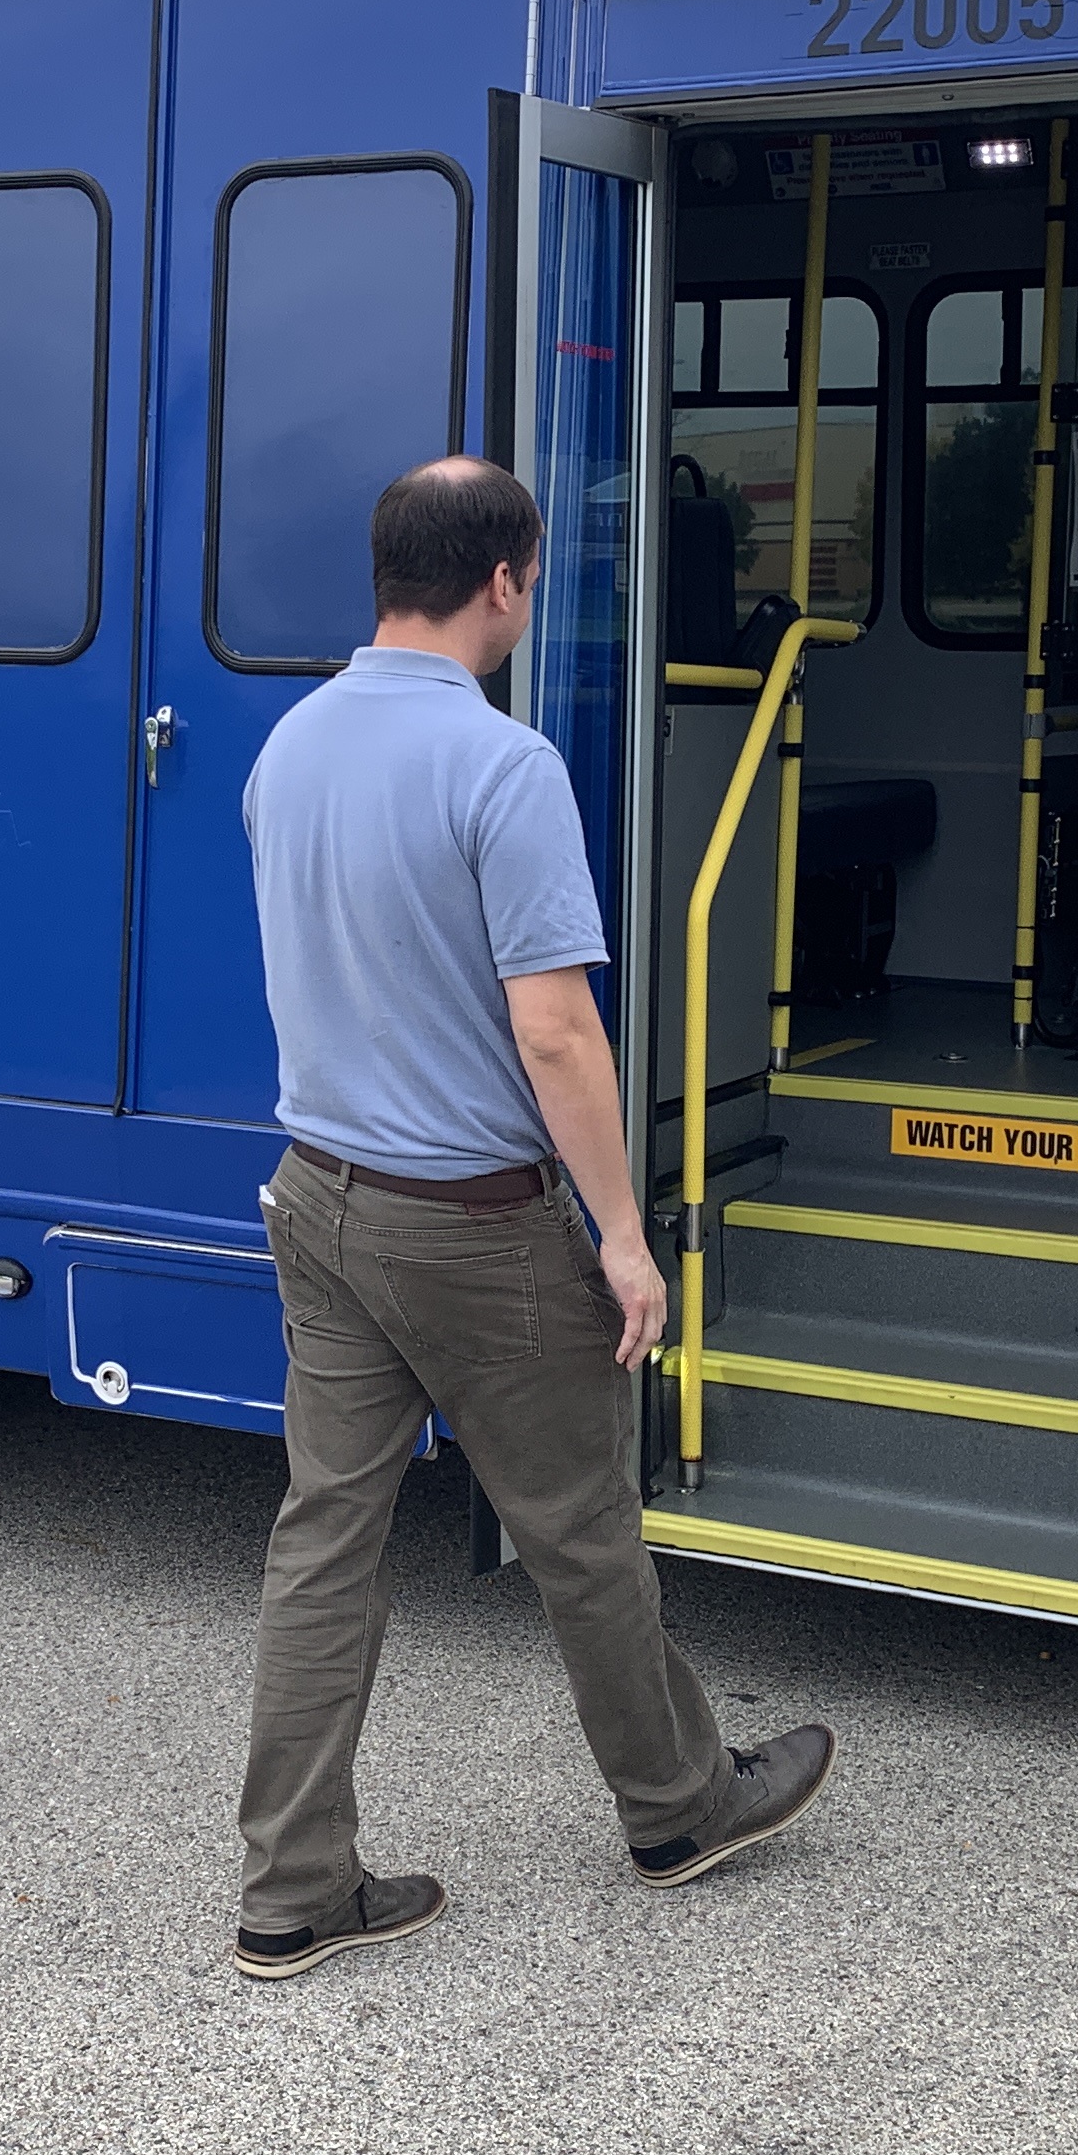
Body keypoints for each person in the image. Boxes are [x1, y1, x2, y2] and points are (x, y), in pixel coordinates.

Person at [230, 455, 834, 1982]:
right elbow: (556, 1034)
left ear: (388, 573)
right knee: (578, 1527)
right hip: (472, 1221)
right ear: (505, 582)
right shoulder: (504, 769)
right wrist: (625, 1239)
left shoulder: (287, 749)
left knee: (325, 1545)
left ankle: (292, 1892)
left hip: (319, 1198)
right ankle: (681, 1808)